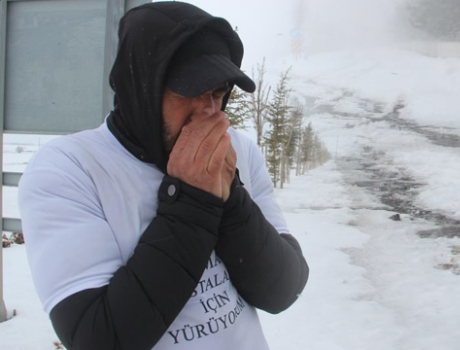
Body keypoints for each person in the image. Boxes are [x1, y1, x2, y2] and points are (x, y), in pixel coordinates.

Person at [18, 2, 309, 349]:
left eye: (218, 93)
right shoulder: (68, 170)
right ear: (141, 88)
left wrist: (231, 199)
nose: (209, 112)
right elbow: (98, 338)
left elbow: (282, 289)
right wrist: (193, 201)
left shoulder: (239, 152)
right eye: (191, 90)